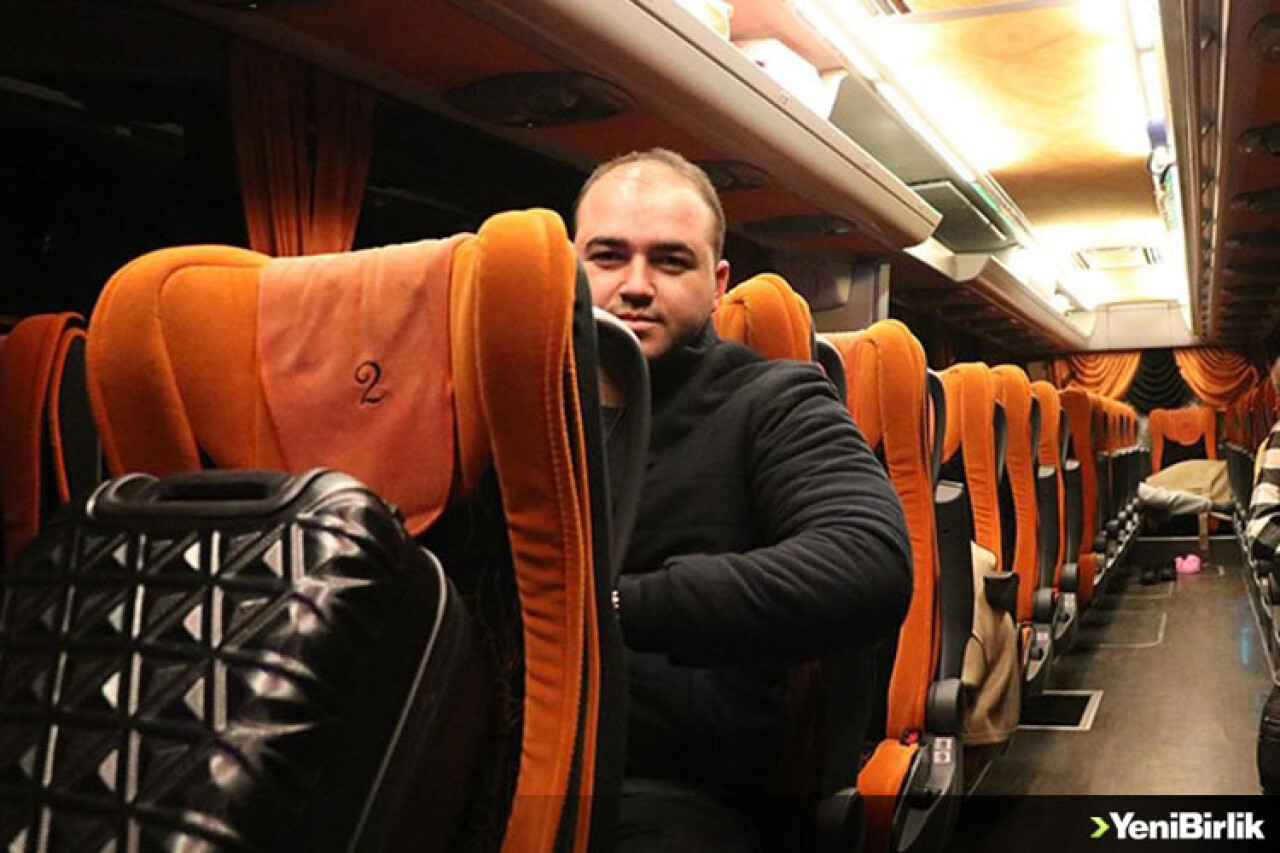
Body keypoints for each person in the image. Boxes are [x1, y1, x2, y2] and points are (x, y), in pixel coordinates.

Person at [573, 148, 912, 850]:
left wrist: (611, 607)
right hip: (494, 759)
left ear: (718, 284)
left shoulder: (774, 400)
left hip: (676, 787)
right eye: (607, 257)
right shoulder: (516, 403)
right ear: (566, 269)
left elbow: (867, 561)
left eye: (671, 262)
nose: (635, 285)